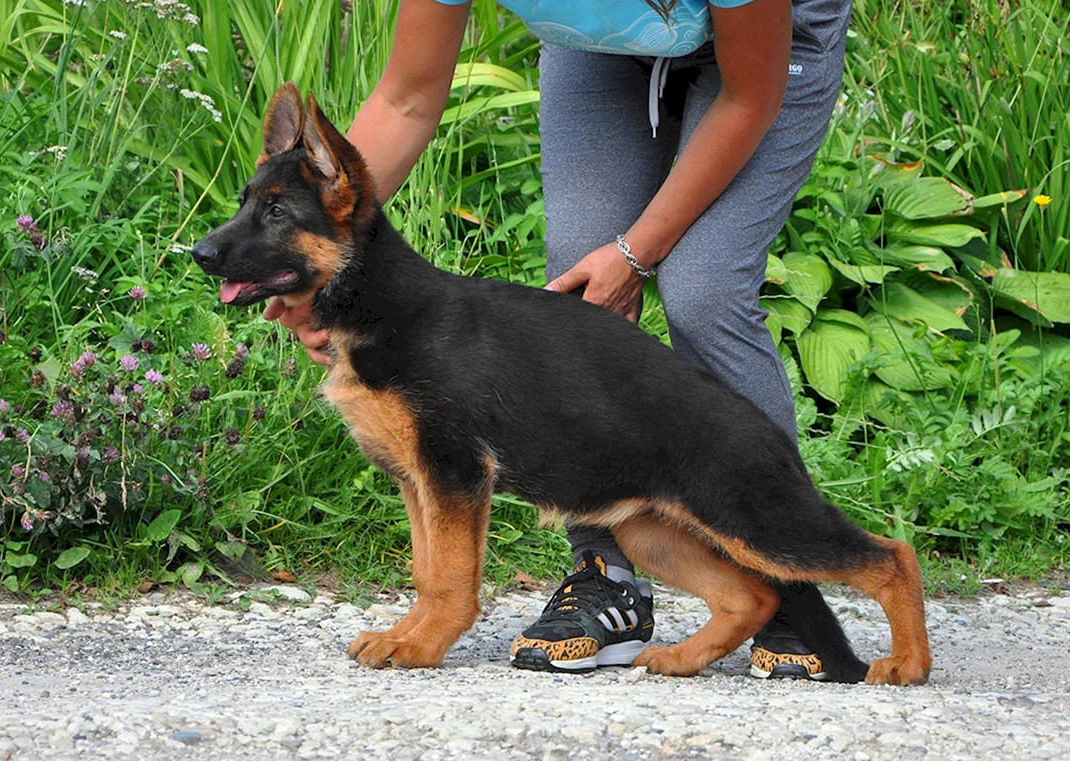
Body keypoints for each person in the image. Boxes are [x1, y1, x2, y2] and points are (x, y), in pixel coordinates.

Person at [265, 0, 853, 679]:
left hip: (759, 53)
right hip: (601, 43)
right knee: (578, 275)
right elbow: (405, 98)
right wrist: (322, 259)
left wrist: (637, 253)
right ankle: (606, 574)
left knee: (705, 290)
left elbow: (750, 98)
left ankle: (785, 582)